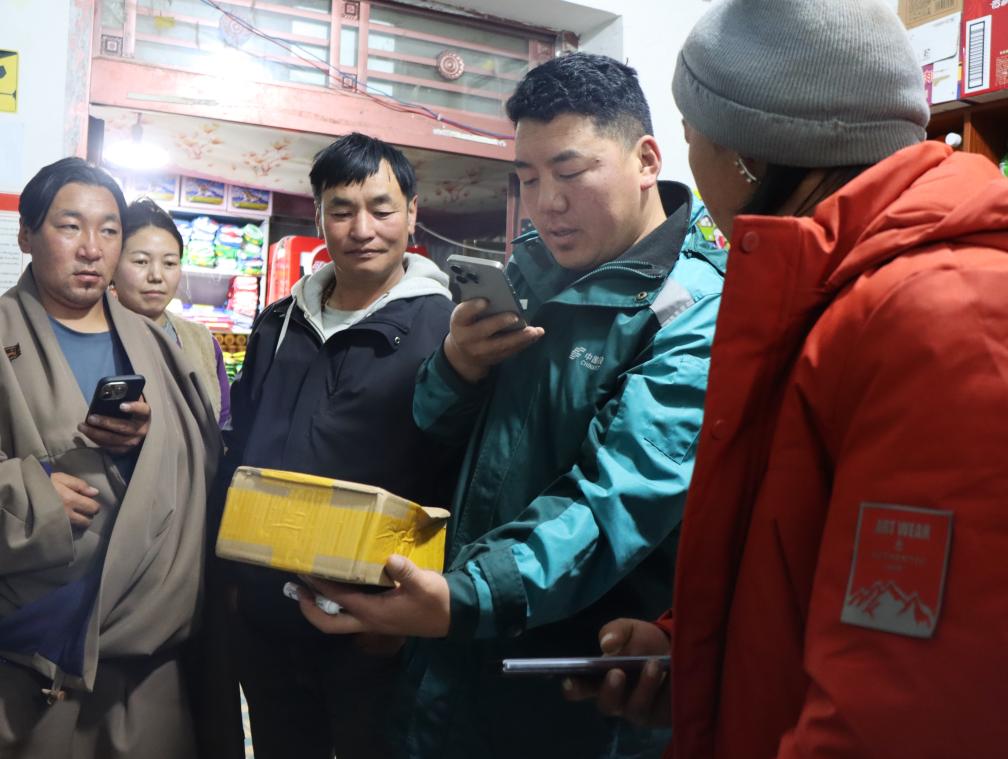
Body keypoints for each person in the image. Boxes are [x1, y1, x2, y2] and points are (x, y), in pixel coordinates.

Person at [567, 2, 1008, 757]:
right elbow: (817, 566)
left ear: (748, 154)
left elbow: (904, 703)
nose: (688, 159)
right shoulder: (829, 296)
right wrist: (694, 654)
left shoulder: (940, 316)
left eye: (690, 130)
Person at [297, 53, 726, 758]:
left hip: (569, 685)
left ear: (647, 160)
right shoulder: (529, 270)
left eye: (569, 172)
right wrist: (457, 366)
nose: (545, 202)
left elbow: (614, 501)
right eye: (527, 178)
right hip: (457, 661)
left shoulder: (692, 311)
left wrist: (464, 594)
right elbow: (436, 426)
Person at [218, 132, 457, 759]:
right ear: (319, 215)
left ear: (412, 213)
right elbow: (242, 445)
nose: (362, 229)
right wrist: (233, 580)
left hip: (373, 625)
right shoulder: (279, 322)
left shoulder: (447, 331)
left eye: (381, 209)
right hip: (267, 618)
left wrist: (405, 613)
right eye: (342, 210)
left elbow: (457, 474)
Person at [0, 157, 220, 757]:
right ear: (26, 235)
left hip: (149, 655)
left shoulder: (157, 345)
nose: (92, 249)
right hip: (32, 653)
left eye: (109, 230)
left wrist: (149, 443)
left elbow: (200, 469)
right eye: (70, 226)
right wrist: (30, 494)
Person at [113, 197, 231, 426]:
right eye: (141, 261)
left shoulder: (202, 342)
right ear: (113, 265)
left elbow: (221, 419)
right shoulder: (93, 335)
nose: (156, 276)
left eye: (169, 263)